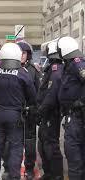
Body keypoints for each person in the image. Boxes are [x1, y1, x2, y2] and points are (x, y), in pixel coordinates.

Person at [0, 43, 37, 180]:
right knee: (16, 148)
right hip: (15, 115)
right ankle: (14, 177)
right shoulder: (22, 73)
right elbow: (32, 96)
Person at [57, 36, 85, 180]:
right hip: (71, 116)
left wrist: (80, 101)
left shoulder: (77, 63)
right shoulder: (69, 65)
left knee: (74, 155)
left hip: (76, 116)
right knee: (73, 155)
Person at [37, 41, 64, 180]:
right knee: (43, 143)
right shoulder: (52, 68)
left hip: (51, 113)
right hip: (46, 112)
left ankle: (56, 175)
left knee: (50, 145)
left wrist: (40, 111)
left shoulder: (56, 70)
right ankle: (48, 173)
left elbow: (51, 94)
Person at [17, 41, 41, 179]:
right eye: (19, 52)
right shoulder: (10, 68)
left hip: (29, 111)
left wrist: (35, 109)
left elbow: (38, 91)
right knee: (14, 141)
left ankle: (30, 168)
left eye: (24, 53)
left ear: (28, 54)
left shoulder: (33, 70)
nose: (21, 55)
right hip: (15, 111)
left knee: (30, 141)